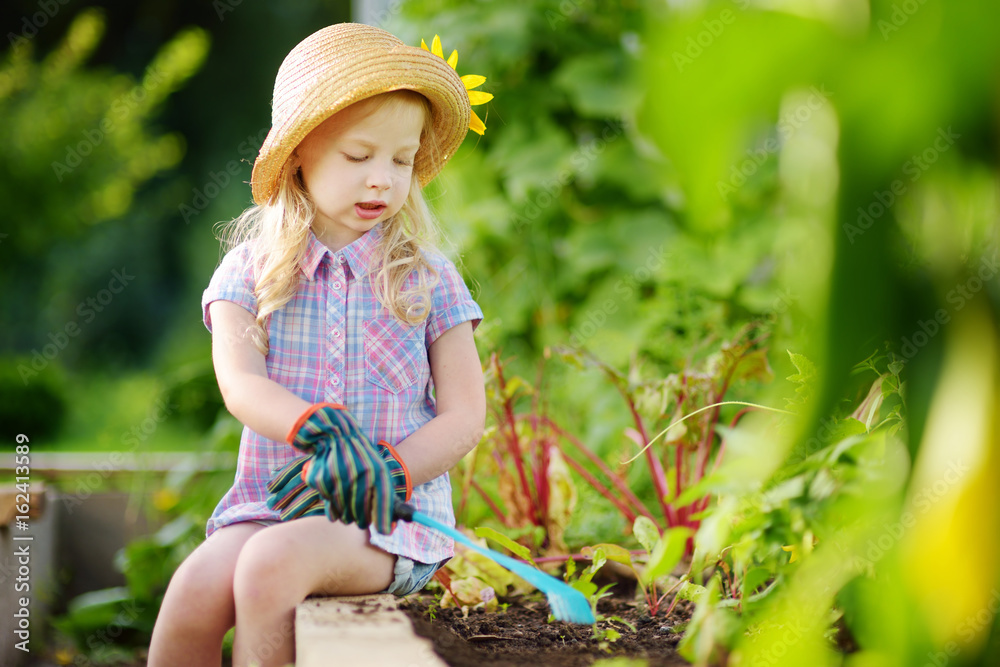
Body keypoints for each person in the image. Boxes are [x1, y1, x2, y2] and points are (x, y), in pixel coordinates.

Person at [148, 22, 491, 667]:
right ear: (300, 152)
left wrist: (390, 469)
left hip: (385, 523)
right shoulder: (250, 272)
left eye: (402, 159)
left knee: (268, 569)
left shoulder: (426, 276)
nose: (383, 180)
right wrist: (316, 428)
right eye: (359, 157)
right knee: (194, 588)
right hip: (272, 504)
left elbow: (465, 415)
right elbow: (241, 384)